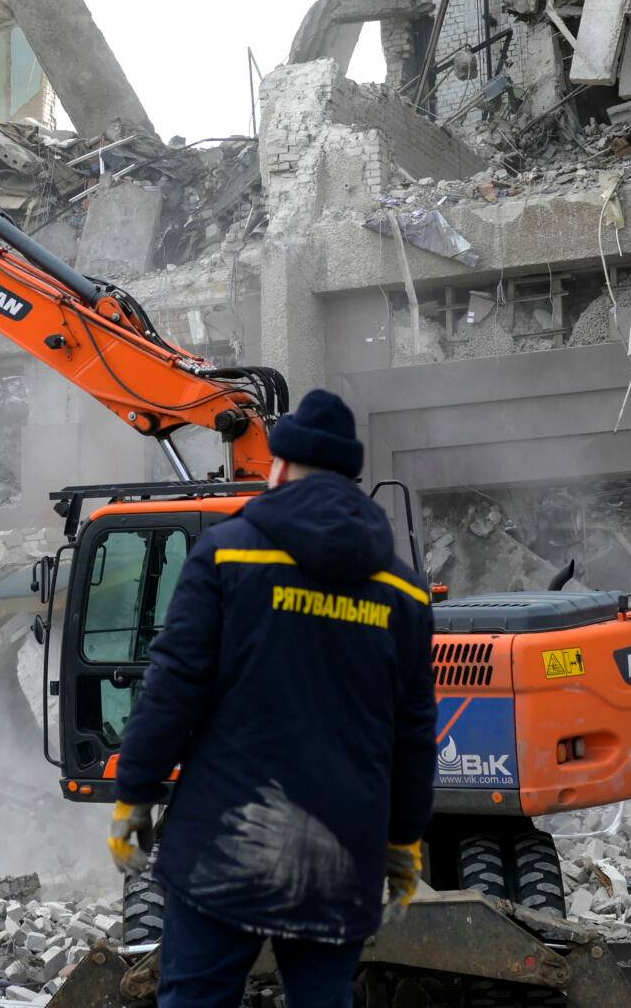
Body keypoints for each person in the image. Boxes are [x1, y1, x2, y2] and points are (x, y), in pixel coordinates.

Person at [108, 388, 437, 1008]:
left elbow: (173, 684)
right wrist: (402, 843)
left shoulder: (227, 553)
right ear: (349, 477)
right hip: (341, 855)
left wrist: (135, 793)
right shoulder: (404, 593)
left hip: (222, 842)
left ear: (279, 468)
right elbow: (414, 734)